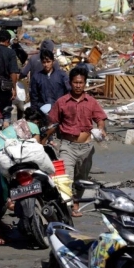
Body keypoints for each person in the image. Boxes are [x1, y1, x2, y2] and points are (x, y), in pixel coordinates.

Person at [46, 66, 106, 216]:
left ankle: (76, 203)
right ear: (70, 83)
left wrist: (101, 128)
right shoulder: (61, 102)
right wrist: (44, 139)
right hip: (67, 146)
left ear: (85, 83)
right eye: (75, 82)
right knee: (66, 177)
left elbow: (100, 118)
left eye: (81, 83)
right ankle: (68, 207)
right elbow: (52, 122)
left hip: (86, 148)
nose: (78, 85)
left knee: (81, 179)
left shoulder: (91, 102)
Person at [30, 48, 70, 113]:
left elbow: (68, 92)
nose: (46, 65)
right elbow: (34, 96)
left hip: (59, 109)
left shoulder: (62, 75)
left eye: (48, 62)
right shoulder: (36, 77)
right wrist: (34, 111)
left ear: (53, 61)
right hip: (43, 110)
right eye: (44, 62)